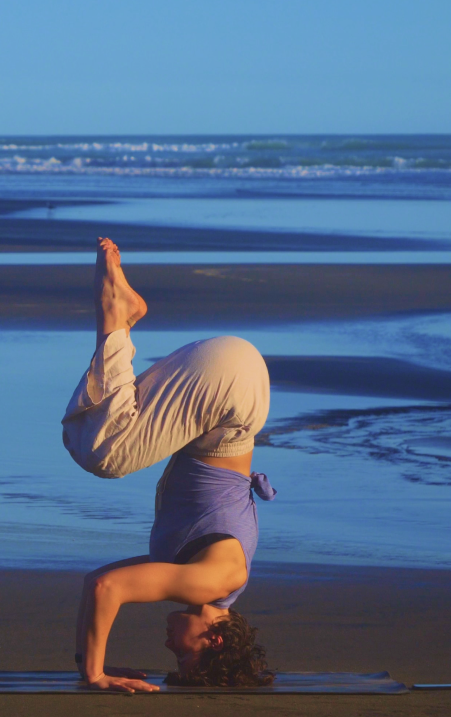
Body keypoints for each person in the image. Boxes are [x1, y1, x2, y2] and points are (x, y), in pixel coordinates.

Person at [62, 237, 275, 693]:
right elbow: (107, 590)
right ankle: (115, 311)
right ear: (214, 639)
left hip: (231, 383)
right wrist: (98, 676)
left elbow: (96, 581)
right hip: (227, 398)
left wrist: (87, 665)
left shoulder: (199, 576)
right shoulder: (210, 582)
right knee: (103, 453)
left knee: (108, 436)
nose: (168, 646)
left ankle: (122, 318)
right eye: (182, 653)